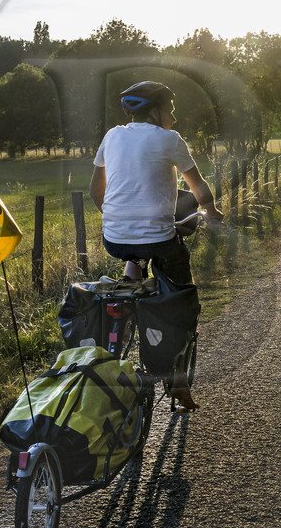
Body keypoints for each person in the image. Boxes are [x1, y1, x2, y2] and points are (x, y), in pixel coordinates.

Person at [89, 80, 222, 409]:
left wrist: (121, 220)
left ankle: (126, 306)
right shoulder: (170, 139)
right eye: (170, 111)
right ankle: (178, 380)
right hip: (160, 241)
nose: (173, 118)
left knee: (135, 257)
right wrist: (211, 211)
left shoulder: (111, 136)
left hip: (114, 240)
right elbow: (198, 187)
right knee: (182, 297)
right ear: (155, 111)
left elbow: (95, 193)